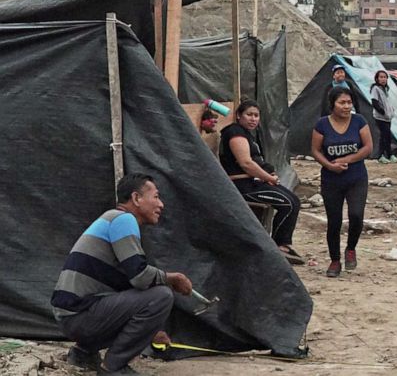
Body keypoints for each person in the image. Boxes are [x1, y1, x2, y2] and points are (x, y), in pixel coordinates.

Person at [51, 173, 193, 375]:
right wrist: (174, 279)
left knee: (148, 295)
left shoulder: (112, 220)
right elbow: (140, 276)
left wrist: (153, 329)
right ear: (136, 198)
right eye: (156, 197)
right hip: (79, 316)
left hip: (71, 316)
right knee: (161, 295)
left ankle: (83, 353)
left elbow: (130, 287)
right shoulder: (123, 220)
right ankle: (113, 367)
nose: (161, 204)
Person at [219, 99, 303, 264]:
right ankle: (278, 246)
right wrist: (269, 178)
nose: (253, 119)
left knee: (294, 200)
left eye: (256, 115)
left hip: (254, 182)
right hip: (242, 186)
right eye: (249, 114)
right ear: (238, 116)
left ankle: (283, 244)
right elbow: (246, 163)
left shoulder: (248, 135)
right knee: (288, 203)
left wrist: (268, 174)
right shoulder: (235, 132)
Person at [312, 86, 373, 278]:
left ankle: (351, 248)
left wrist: (348, 159)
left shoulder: (359, 121)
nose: (346, 106)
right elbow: (315, 150)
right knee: (334, 221)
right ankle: (335, 260)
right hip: (331, 180)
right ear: (332, 104)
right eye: (342, 102)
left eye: (349, 102)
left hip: (356, 177)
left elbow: (368, 147)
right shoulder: (322, 124)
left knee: (356, 215)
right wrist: (329, 166)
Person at [370, 70, 397, 163]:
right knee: (383, 136)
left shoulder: (385, 89)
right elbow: (374, 102)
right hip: (380, 117)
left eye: (384, 77)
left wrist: (390, 111)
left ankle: (389, 155)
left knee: (387, 136)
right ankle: (380, 156)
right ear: (377, 79)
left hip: (387, 117)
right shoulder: (375, 88)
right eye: (381, 77)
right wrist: (382, 112)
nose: (383, 79)